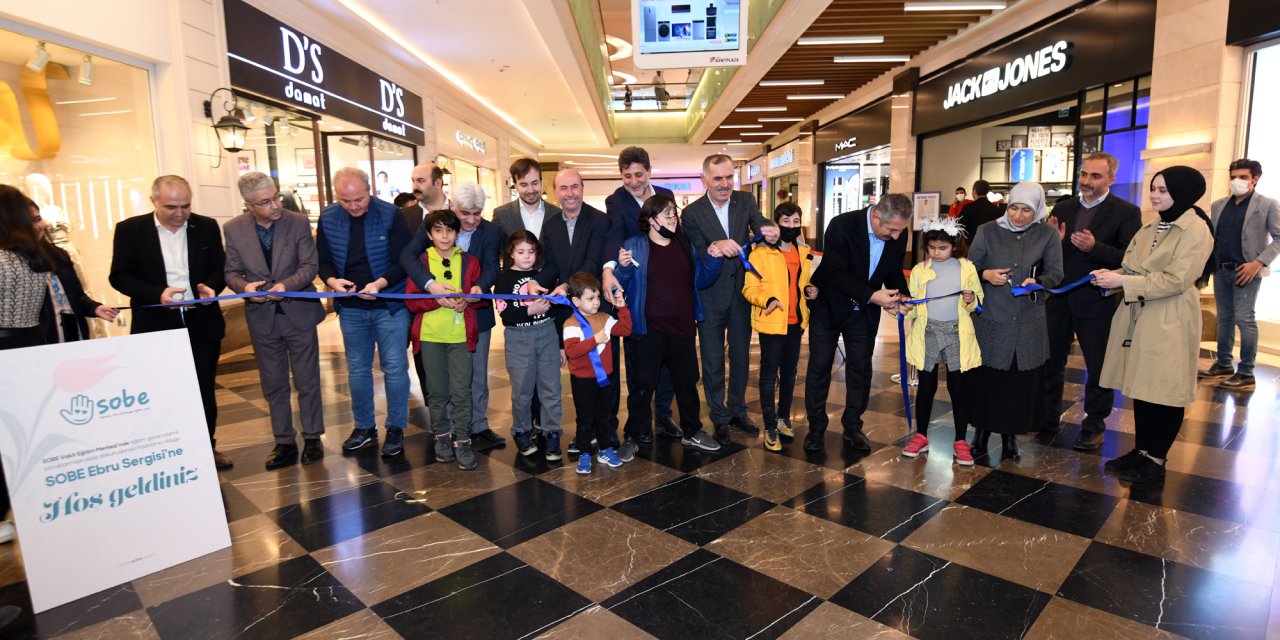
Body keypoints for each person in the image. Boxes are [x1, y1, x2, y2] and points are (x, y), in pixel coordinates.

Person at [1095, 166, 1216, 483]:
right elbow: (1131, 268)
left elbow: (1176, 280)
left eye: (1163, 190)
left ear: (1183, 192)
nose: (1155, 195)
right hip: (1140, 314)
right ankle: (1142, 450)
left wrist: (1123, 281)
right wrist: (1112, 279)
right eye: (1153, 189)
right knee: (1144, 386)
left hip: (1170, 316)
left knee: (1166, 388)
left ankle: (1157, 457)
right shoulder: (1151, 228)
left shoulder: (1195, 230)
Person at [109, 176, 232, 469]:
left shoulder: (206, 226)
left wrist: (210, 287)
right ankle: (168, 450)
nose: (179, 213)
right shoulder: (130, 230)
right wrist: (156, 294)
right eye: (171, 207)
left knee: (203, 388)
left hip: (200, 321)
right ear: (153, 201)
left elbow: (220, 268)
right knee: (162, 391)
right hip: (155, 324)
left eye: (185, 206)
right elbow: (119, 276)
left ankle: (207, 447)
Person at [223, 172, 327, 470]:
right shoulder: (233, 229)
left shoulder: (297, 222)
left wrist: (287, 285)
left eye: (276, 197)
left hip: (298, 314)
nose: (275, 205)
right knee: (274, 383)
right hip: (262, 317)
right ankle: (283, 442)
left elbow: (310, 265)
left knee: (307, 380)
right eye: (266, 202)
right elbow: (231, 271)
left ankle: (312, 438)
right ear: (249, 205)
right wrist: (245, 289)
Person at [1042, 152, 1142, 450]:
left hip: (1097, 300)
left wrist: (1094, 247)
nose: (1087, 181)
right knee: (1050, 362)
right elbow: (1047, 254)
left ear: (1111, 179)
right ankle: (1047, 419)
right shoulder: (1063, 206)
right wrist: (1052, 242)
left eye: (1095, 176)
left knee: (1100, 367)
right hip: (1059, 298)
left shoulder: (1126, 212)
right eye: (1084, 174)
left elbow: (1132, 259)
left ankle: (1093, 426)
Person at [682, 154, 779, 444]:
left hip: (741, 294)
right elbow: (697, 252)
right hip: (710, 298)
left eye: (728, 178)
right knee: (712, 361)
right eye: (718, 179)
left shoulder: (745, 201)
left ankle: (738, 410)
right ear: (704, 180)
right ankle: (719, 416)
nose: (725, 184)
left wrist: (768, 229)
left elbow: (759, 222)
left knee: (740, 357)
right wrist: (715, 245)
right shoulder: (692, 214)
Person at [616, 193, 725, 452]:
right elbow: (622, 284)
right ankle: (633, 435)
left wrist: (713, 259)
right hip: (647, 329)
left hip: (682, 327)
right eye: (666, 214)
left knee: (687, 383)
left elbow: (701, 280)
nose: (673, 218)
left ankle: (692, 431)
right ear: (652, 220)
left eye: (674, 213)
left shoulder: (684, 244)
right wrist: (623, 269)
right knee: (643, 386)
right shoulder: (635, 245)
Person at [400, 182, 505, 450]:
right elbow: (408, 257)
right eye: (465, 213)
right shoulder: (437, 225)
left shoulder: (492, 230)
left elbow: (493, 264)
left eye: (477, 213)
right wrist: (430, 285)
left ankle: (477, 425)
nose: (471, 220)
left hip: (475, 312)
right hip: (436, 316)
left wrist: (479, 288)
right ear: (452, 207)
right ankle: (445, 429)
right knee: (441, 377)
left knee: (477, 375)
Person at [803, 194, 912, 452]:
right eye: (892, 230)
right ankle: (816, 428)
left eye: (901, 231)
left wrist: (901, 296)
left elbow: (894, 270)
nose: (897, 237)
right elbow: (835, 271)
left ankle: (853, 427)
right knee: (819, 367)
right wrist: (873, 296)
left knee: (861, 370)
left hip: (863, 312)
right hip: (828, 306)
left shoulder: (898, 232)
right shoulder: (842, 225)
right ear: (876, 218)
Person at [317, 167, 411, 457]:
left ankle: (395, 427)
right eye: (346, 201)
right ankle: (364, 427)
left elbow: (403, 260)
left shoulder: (391, 215)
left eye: (359, 199)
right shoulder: (328, 218)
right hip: (351, 308)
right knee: (357, 370)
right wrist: (333, 281)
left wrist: (379, 284)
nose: (354, 206)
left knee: (394, 368)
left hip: (389, 305)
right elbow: (322, 260)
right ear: (337, 197)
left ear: (370, 191)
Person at [967, 181, 1064, 460]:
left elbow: (1056, 274)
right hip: (992, 316)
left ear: (1037, 210)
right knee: (988, 379)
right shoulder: (987, 230)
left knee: (1018, 382)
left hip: (1026, 318)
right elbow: (970, 267)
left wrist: (1039, 282)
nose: (1018, 216)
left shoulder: (1047, 234)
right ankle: (981, 433)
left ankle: (1010, 437)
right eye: (1013, 208)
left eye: (1026, 210)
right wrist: (985, 275)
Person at [602, 146, 678, 449]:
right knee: (638, 365)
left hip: (666, 290)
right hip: (638, 290)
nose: (633, 181)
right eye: (627, 176)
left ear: (649, 171)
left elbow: (674, 230)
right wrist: (609, 268)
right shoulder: (616, 201)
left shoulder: (665, 193)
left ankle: (664, 414)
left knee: (668, 362)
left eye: (639, 174)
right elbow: (614, 235)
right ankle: (640, 422)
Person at [404, 209, 483, 470]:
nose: (444, 235)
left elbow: (481, 298)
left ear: (457, 233)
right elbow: (411, 301)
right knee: (437, 393)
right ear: (429, 235)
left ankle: (463, 440)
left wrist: (469, 301)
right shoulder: (421, 263)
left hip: (460, 336)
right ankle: (442, 438)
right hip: (429, 337)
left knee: (462, 392)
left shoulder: (469, 262)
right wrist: (435, 300)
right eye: (438, 230)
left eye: (449, 230)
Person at [900, 217, 983, 466]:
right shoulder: (919, 270)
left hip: (957, 333)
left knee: (958, 388)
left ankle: (960, 440)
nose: (937, 253)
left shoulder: (966, 267)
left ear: (955, 246)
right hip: (928, 333)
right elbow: (915, 304)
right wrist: (904, 308)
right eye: (932, 248)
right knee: (926, 387)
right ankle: (921, 436)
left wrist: (970, 298)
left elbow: (978, 301)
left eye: (942, 248)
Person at [0, 185, 56, 543]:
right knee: (22, 434)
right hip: (28, 349)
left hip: (5, 347)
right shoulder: (32, 258)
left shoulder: (5, 260)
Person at [741, 202, 817, 452]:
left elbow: (803, 282)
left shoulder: (804, 251)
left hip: (796, 321)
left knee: (790, 373)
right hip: (772, 322)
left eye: (796, 222)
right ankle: (770, 426)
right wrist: (768, 300)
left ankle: (784, 417)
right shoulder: (759, 253)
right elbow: (750, 288)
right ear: (776, 223)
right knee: (768, 374)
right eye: (786, 222)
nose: (791, 227)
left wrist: (809, 290)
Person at [1200, 158, 1280, 391]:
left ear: (1255, 179)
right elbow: (1211, 239)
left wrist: (1257, 263)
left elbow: (1278, 238)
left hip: (1247, 271)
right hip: (1221, 270)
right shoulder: (1219, 205)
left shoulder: (1267, 204)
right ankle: (1224, 364)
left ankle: (1246, 373)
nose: (1237, 181)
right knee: (1224, 318)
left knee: (1244, 320)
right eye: (1233, 176)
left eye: (1243, 177)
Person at [495, 230, 565, 462]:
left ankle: (552, 431)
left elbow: (556, 311)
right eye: (521, 252)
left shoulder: (542, 276)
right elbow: (505, 314)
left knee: (552, 389)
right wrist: (528, 310)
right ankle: (522, 431)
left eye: (531, 252)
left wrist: (561, 345)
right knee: (523, 392)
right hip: (519, 338)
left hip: (547, 335)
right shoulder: (504, 280)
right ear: (511, 254)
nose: (527, 256)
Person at [564, 272, 632, 474]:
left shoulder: (605, 318)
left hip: (605, 379)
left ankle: (605, 449)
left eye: (597, 298)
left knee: (604, 416)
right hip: (583, 380)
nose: (596, 303)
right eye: (590, 299)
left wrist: (622, 308)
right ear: (576, 301)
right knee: (585, 419)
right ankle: (584, 453)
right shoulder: (571, 323)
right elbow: (572, 351)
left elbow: (625, 330)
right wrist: (595, 339)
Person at [32, 202, 118, 344]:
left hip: (73, 335)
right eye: (27, 222)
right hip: (39, 345)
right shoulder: (11, 266)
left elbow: (76, 295)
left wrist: (94, 307)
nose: (36, 227)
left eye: (37, 219)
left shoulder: (59, 255)